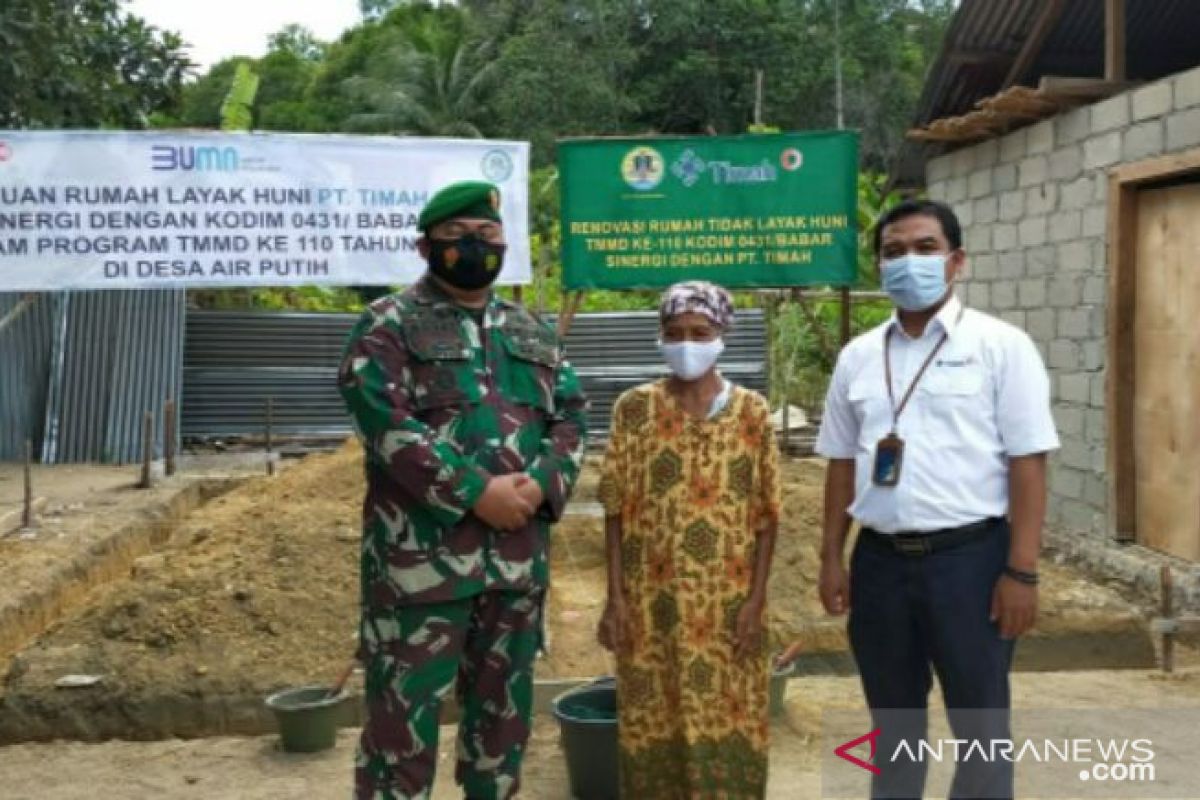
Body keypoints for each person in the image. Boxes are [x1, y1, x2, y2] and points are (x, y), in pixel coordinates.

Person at [338, 180, 588, 800]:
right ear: (425, 247)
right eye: (457, 237)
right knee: (400, 743)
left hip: (515, 568)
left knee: (501, 735)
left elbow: (573, 416)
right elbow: (384, 420)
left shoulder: (532, 330)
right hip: (419, 573)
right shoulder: (386, 326)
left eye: (487, 236)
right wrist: (475, 491)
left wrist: (541, 483)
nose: (475, 246)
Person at [813, 199, 1059, 799]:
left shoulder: (1001, 346)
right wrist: (830, 557)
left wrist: (1020, 572)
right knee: (893, 726)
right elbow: (842, 464)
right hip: (880, 564)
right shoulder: (858, 357)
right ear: (878, 266)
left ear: (957, 262)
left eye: (925, 248)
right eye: (894, 252)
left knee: (980, 727)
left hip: (970, 563)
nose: (909, 262)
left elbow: (1028, 464)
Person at [597, 281, 782, 799]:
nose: (687, 342)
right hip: (649, 605)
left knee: (732, 715)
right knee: (653, 717)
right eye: (674, 332)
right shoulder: (634, 410)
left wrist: (756, 603)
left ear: (722, 334)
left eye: (699, 332)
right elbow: (613, 509)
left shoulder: (753, 414)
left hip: (730, 606)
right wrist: (615, 598)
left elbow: (768, 517)